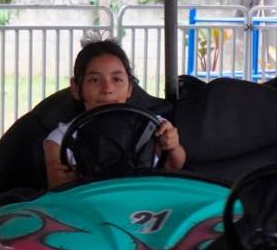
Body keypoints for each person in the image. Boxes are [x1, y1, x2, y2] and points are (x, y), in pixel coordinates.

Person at [44, 40, 186, 188]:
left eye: (116, 79)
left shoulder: (152, 126)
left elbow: (175, 166)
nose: (107, 89)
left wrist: (172, 146)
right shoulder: (59, 139)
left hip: (146, 203)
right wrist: (60, 178)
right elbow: (56, 184)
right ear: (76, 88)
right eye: (94, 80)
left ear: (130, 88)